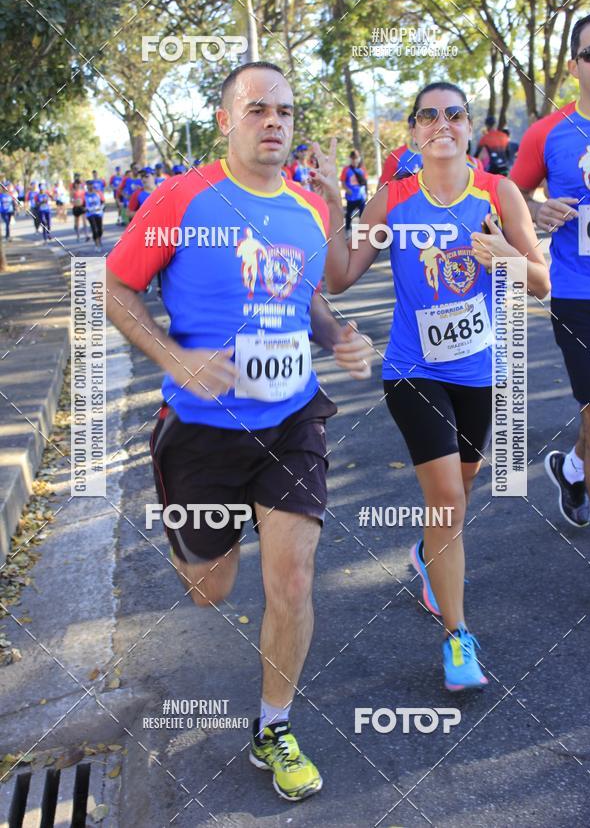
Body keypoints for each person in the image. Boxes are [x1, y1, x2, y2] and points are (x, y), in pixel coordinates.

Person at [106, 61, 373, 802]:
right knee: (209, 589)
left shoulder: (303, 209)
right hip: (200, 431)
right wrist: (174, 358)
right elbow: (115, 285)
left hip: (292, 419)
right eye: (256, 109)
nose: (274, 122)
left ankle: (274, 726)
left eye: (285, 110)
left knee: (292, 577)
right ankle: (198, 545)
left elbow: (306, 303)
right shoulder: (182, 198)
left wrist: (338, 337)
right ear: (225, 121)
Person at [314, 81, 549, 691]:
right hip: (413, 369)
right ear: (413, 133)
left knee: (460, 489)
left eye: (453, 114)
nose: (441, 123)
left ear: (469, 127)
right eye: (427, 116)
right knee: (446, 495)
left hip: (479, 371)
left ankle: (426, 554)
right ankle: (458, 638)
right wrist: (336, 205)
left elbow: (542, 283)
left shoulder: (499, 194)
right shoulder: (392, 199)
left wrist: (507, 257)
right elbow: (339, 277)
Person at [511, 11, 590, 528]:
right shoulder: (549, 133)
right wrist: (535, 209)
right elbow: (510, 193)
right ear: (574, 66)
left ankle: (572, 468)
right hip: (580, 296)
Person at [340, 150, 368, 235]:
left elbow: (365, 181)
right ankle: (348, 229)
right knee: (349, 214)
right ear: (350, 159)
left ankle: (362, 231)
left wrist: (367, 192)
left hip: (361, 197)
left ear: (359, 158)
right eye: (353, 158)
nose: (355, 160)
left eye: (356, 158)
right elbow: (342, 181)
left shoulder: (362, 169)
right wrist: (347, 190)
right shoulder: (346, 169)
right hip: (351, 197)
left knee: (363, 215)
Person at [84, 179, 104, 249]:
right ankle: (96, 244)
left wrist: (101, 207)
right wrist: (85, 209)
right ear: (87, 186)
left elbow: (103, 202)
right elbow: (82, 205)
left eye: (91, 185)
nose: (90, 186)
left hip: (98, 213)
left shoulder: (98, 193)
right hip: (90, 214)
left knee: (100, 229)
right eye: (89, 185)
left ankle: (99, 239)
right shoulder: (85, 195)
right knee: (94, 229)